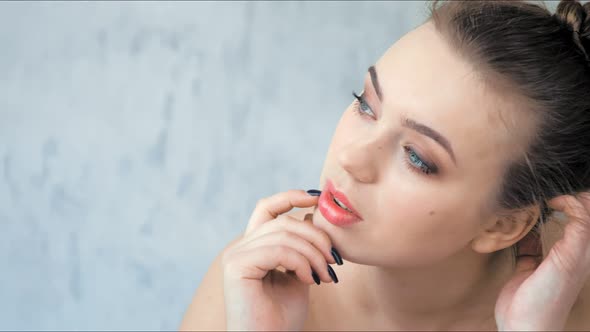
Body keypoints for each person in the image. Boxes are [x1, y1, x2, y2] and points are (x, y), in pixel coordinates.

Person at [180, 0, 590, 330]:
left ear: (502, 225)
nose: (351, 159)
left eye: (416, 158)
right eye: (366, 105)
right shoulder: (252, 282)